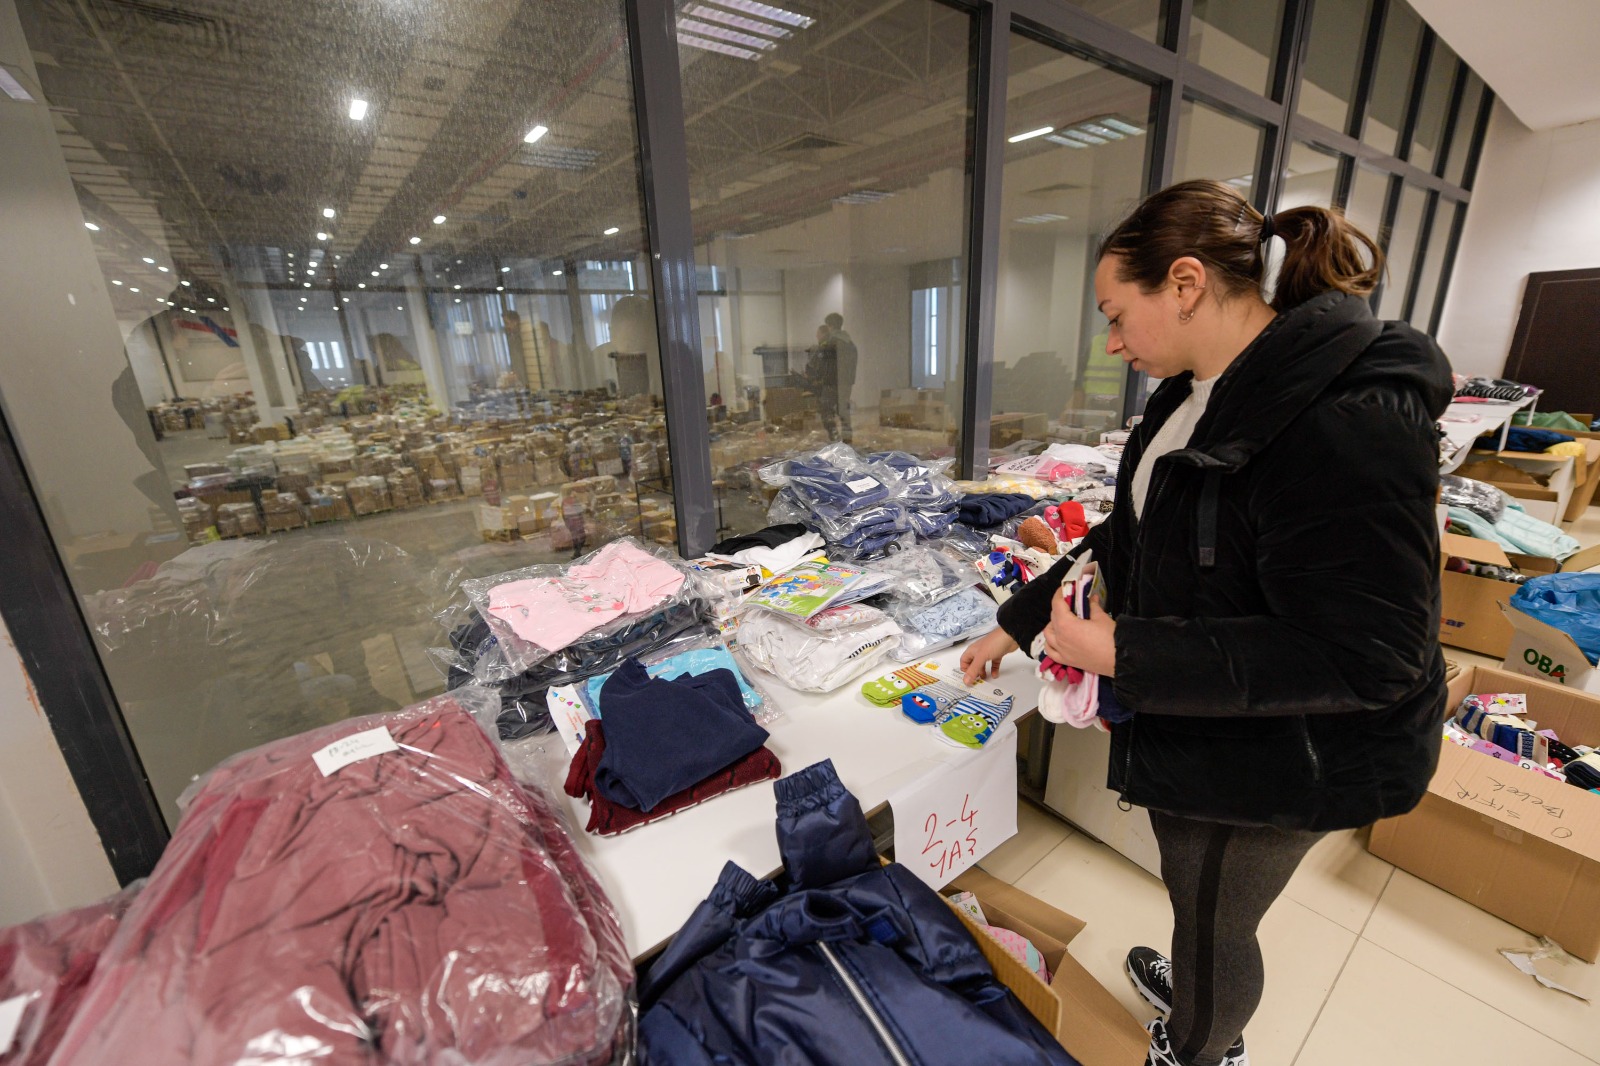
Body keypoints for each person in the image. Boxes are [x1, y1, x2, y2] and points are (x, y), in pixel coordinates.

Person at [961, 179, 1452, 1066]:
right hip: (1210, 722)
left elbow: (1368, 655)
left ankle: (1199, 1046)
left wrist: (1125, 650)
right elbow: (1132, 531)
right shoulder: (1191, 394)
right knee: (1194, 893)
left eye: (1117, 316)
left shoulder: (1345, 423)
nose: (1112, 343)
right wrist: (1019, 621)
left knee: (1218, 919)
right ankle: (1200, 998)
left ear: (1185, 284)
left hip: (1294, 756)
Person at [805, 313, 857, 442]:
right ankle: (847, 438)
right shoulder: (850, 343)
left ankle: (834, 437)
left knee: (826, 410)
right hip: (846, 383)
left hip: (831, 383)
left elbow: (819, 363)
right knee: (843, 410)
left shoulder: (829, 342)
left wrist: (814, 376)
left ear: (830, 326)